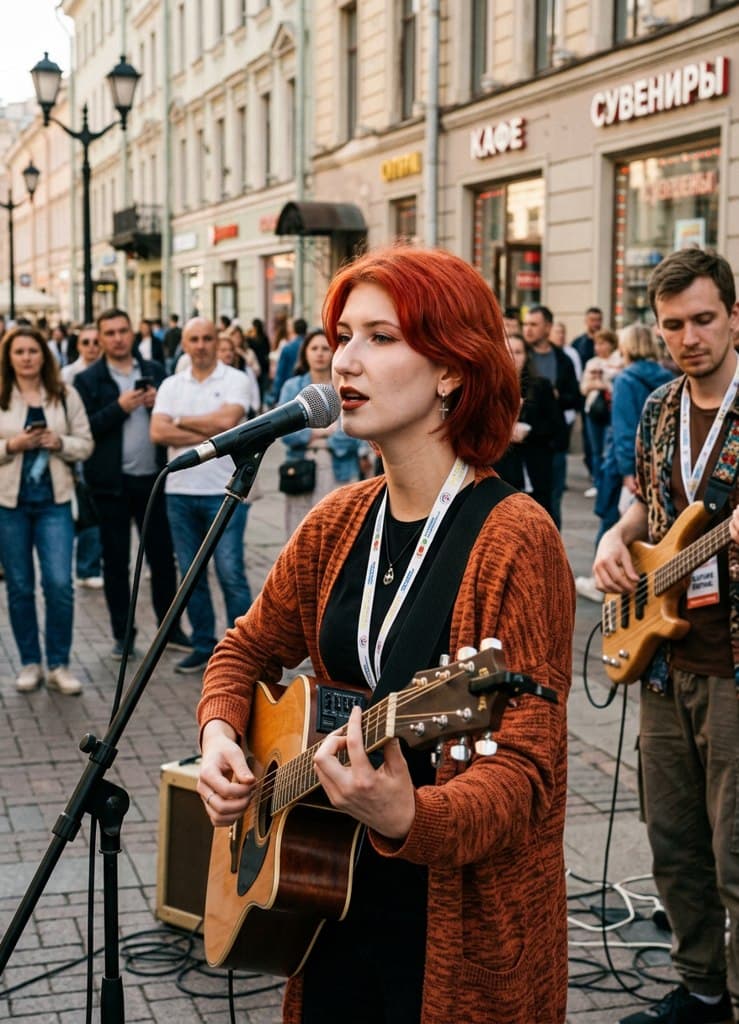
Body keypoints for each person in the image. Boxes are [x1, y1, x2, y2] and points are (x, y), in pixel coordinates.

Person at [196, 246, 573, 1024]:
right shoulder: (338, 520)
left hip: (455, 930)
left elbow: (528, 774)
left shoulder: (515, 537)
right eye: (340, 335)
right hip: (326, 903)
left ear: (451, 370)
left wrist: (410, 816)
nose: (343, 359)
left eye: (380, 337)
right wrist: (220, 734)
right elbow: (242, 648)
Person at [593, 248, 739, 1024]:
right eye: (672, 325)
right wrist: (615, 540)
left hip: (732, 668)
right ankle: (701, 990)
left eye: (703, 320)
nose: (688, 338)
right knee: (673, 841)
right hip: (660, 656)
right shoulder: (656, 409)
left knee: (736, 855)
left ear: (735, 318)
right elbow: (647, 506)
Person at [74, 308, 191, 659]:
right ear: (100, 337)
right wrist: (119, 407)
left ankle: (170, 630)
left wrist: (159, 406)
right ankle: (123, 635)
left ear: (132, 333)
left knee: (161, 558)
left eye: (123, 330)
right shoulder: (88, 379)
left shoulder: (154, 371)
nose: (117, 338)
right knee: (115, 562)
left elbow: (175, 417)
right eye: (109, 333)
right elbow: (85, 429)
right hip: (110, 484)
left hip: (152, 480)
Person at [151, 317, 256, 673]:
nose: (200, 345)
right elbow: (156, 431)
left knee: (230, 573)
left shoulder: (236, 380)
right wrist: (206, 428)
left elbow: (228, 423)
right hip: (180, 493)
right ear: (183, 343)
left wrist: (179, 421)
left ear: (217, 341)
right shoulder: (170, 384)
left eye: (207, 338)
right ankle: (203, 644)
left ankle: (246, 651)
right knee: (191, 575)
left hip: (225, 492)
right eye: (193, 339)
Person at [0, 326, 93, 694]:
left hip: (55, 501)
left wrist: (60, 442)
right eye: (19, 351)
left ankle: (58, 664)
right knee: (20, 586)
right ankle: (29, 663)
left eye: (32, 351)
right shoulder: (2, 395)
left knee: (58, 584)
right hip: (10, 504)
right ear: (8, 357)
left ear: (44, 355)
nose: (26, 358)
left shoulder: (64, 395)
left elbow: (85, 444)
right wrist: (14, 444)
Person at [278, 327, 362, 537]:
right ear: (305, 352)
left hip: (339, 467)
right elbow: (287, 432)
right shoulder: (292, 387)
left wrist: (313, 433)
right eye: (314, 348)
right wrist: (326, 431)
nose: (320, 353)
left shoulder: (346, 385)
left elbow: (352, 431)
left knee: (339, 532)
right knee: (301, 533)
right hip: (301, 468)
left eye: (325, 348)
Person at [522, 303, 580, 529]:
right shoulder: (522, 357)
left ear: (547, 327)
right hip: (526, 443)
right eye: (526, 324)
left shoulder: (562, 359)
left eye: (534, 325)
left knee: (552, 501)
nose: (528, 329)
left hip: (553, 440)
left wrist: (555, 396)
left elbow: (574, 396)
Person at [494, 332, 565, 517]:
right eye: (508, 351)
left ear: (526, 356)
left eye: (518, 352)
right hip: (504, 471)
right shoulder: (491, 388)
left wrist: (530, 432)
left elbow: (557, 427)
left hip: (536, 467)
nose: (513, 357)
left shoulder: (541, 387)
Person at [61, 323, 104, 589]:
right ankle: (86, 566)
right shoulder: (68, 375)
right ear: (78, 346)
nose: (91, 347)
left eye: (95, 342)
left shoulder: (107, 373)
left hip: (103, 451)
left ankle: (93, 563)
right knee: (85, 511)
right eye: (86, 342)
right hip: (76, 451)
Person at [579, 327, 622, 494]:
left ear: (611, 344)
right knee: (595, 449)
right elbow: (583, 388)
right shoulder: (592, 363)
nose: (598, 347)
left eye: (602, 343)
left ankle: (609, 483)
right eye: (596, 343)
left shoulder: (620, 362)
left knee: (609, 448)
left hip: (612, 410)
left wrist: (603, 384)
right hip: (593, 410)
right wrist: (593, 384)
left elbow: (618, 388)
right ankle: (597, 483)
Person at [269, 316, 307, 406]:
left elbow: (280, 373)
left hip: (290, 389)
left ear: (294, 329)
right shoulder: (310, 347)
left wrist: (276, 394)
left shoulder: (288, 347)